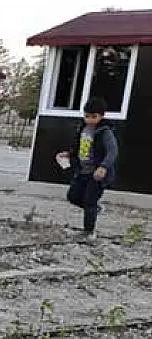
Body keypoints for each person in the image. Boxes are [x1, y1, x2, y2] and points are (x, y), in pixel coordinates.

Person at [55, 96, 118, 242]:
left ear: (101, 116)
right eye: (86, 116)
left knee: (89, 201)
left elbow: (112, 151)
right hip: (82, 171)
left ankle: (89, 232)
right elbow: (80, 147)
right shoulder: (82, 128)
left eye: (93, 117)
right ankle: (94, 209)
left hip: (96, 174)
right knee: (73, 196)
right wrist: (69, 154)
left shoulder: (105, 131)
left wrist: (103, 167)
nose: (89, 119)